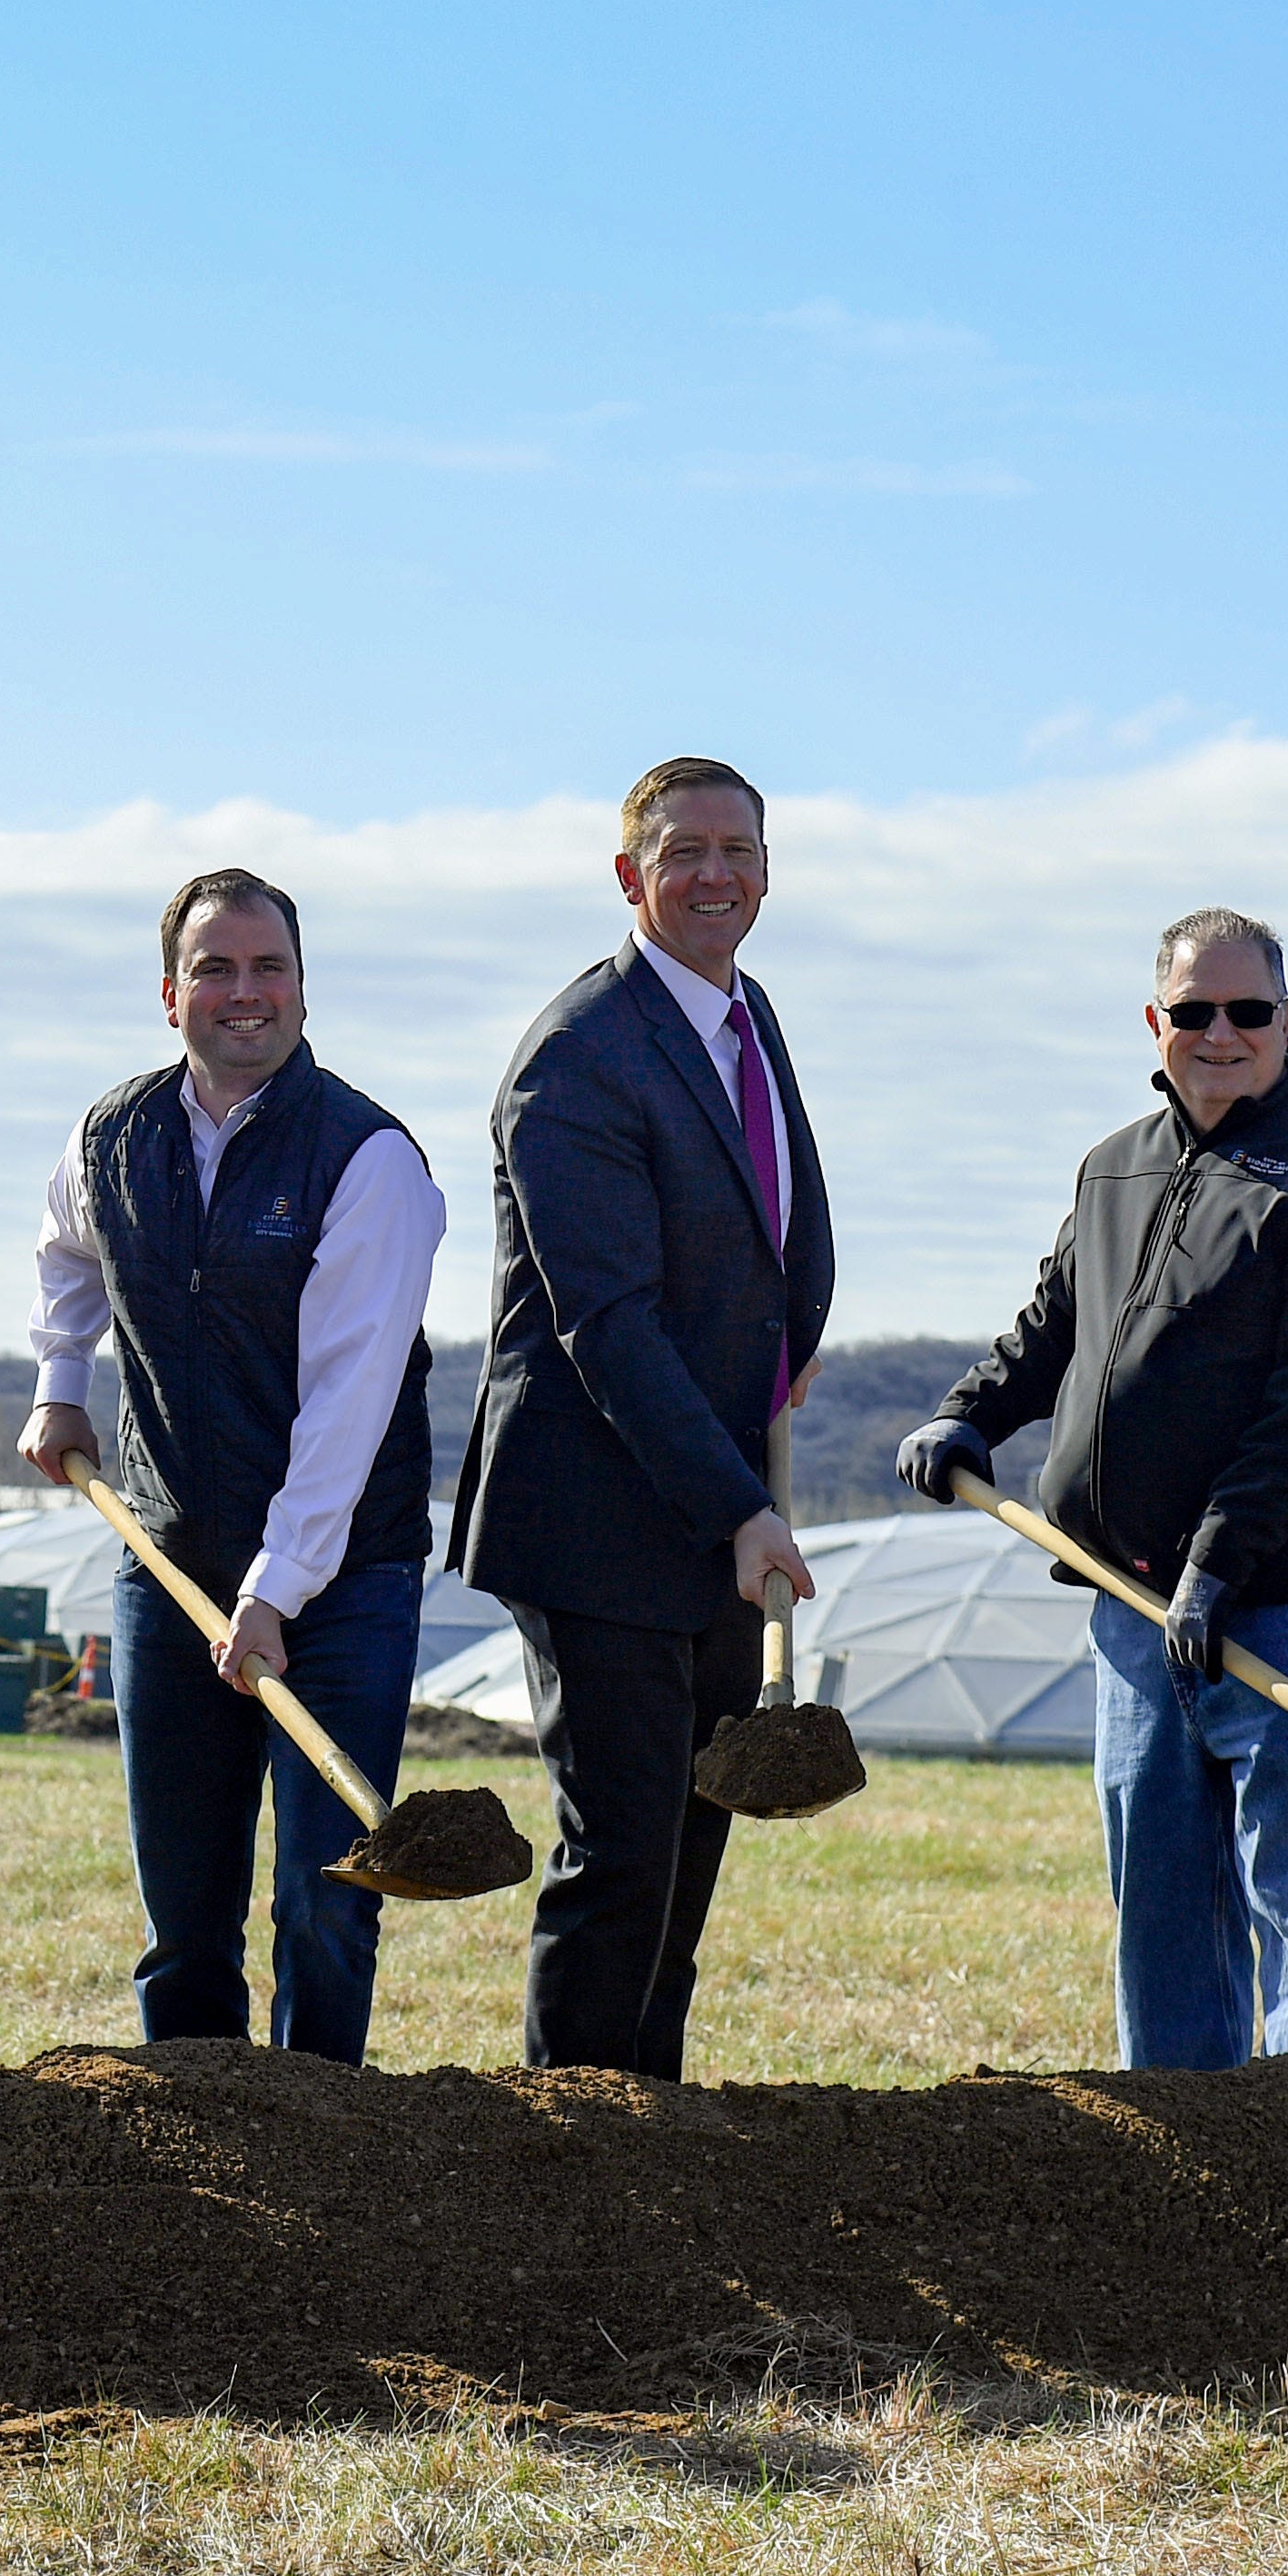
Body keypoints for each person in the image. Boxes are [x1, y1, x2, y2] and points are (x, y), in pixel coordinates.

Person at [898, 907, 1288, 2069]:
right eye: (1196, 1012)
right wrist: (968, 1413)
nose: (1222, 1033)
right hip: (1135, 1617)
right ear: (1158, 1021)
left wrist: (1222, 1560)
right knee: (1164, 1929)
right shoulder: (1115, 1166)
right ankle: (1186, 2197)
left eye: (1249, 1012)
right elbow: (1055, 1328)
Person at [17, 868, 448, 2060]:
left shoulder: (369, 1162)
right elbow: (66, 1252)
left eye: (268, 969)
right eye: (216, 968)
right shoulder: (114, 1136)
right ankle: (197, 2182)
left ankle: (321, 2168)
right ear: (171, 994)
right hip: (170, 1563)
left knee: (325, 1904)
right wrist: (62, 1389)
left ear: (305, 991)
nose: (243, 993)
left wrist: (275, 1592)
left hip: (345, 1577)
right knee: (184, 1925)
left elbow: (348, 1405)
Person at [456, 758, 832, 2081]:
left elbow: (781, 1232)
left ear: (769, 871)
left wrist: (788, 1354)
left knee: (694, 1830)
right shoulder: (579, 1057)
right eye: (682, 852)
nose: (714, 873)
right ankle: (570, 2144)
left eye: (738, 849)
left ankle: (652, 2128)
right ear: (630, 878)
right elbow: (604, 1322)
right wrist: (740, 1507)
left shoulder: (748, 1015)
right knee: (620, 1848)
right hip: (596, 1505)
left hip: (714, 1480)